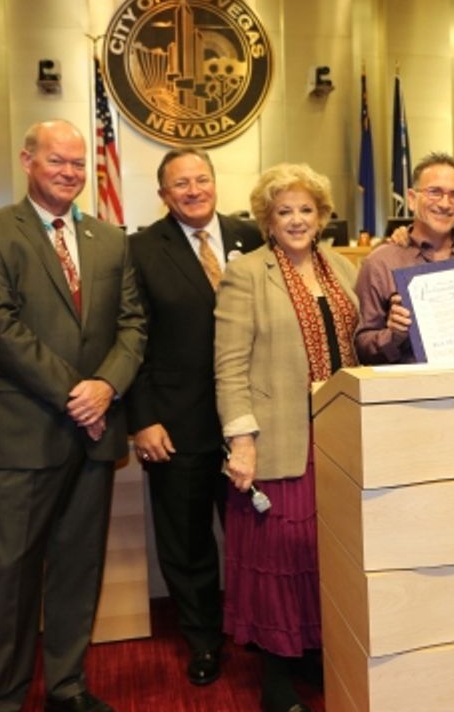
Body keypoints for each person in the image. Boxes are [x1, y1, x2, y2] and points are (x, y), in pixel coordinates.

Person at [0, 119, 145, 712]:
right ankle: (0, 699)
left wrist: (107, 386)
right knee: (13, 575)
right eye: (55, 160)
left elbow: (133, 326)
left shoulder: (110, 239)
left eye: (77, 162)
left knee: (76, 566)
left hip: (92, 438)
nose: (68, 172)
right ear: (27, 161)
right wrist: (80, 395)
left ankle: (67, 687)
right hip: (22, 436)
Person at [214, 163, 360, 712]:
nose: (296, 220)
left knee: (328, 558)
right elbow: (228, 367)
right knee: (280, 558)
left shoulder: (344, 270)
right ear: (266, 221)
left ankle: (314, 653)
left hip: (338, 440)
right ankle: (276, 681)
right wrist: (241, 441)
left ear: (322, 217)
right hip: (278, 442)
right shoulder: (247, 274)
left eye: (306, 210)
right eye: (284, 211)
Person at [127, 147, 263, 686]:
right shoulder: (138, 250)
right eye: (179, 183)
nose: (193, 189)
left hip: (248, 421)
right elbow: (129, 339)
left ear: (214, 183)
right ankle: (204, 640)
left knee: (256, 536)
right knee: (187, 544)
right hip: (175, 426)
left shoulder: (250, 237)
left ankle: (259, 632)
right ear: (163, 195)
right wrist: (142, 419)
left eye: (201, 179)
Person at [355, 152, 454, 364]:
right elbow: (360, 346)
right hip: (409, 391)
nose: (445, 203)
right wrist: (392, 335)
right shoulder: (380, 263)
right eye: (434, 192)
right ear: (412, 199)